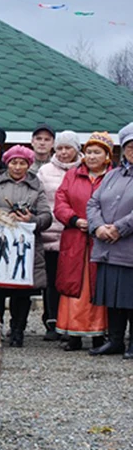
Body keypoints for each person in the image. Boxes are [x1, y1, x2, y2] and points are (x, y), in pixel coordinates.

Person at [0, 145, 52, 347]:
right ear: (7, 163)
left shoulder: (36, 186)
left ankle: (18, 330)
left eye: (22, 163)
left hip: (25, 247)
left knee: (22, 294)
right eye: (14, 162)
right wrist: (4, 216)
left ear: (28, 165)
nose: (18, 167)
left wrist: (31, 219)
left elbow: (47, 216)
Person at [53, 133, 110, 351]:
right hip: (75, 237)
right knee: (73, 285)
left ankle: (99, 334)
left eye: (98, 152)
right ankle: (72, 335)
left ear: (107, 155)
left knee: (98, 285)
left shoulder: (113, 177)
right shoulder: (72, 176)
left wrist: (101, 224)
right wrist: (75, 220)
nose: (92, 156)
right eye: (89, 152)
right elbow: (60, 202)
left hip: (102, 240)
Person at [88, 124, 133, 358]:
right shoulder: (113, 175)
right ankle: (115, 340)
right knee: (112, 298)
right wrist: (98, 227)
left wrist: (120, 228)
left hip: (129, 248)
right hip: (107, 247)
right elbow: (93, 203)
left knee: (131, 298)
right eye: (129, 146)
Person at [37, 131, 83, 342]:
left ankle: (74, 322)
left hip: (77, 233)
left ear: (77, 149)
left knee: (74, 281)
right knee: (52, 280)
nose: (64, 153)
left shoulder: (85, 169)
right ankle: (52, 320)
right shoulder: (45, 171)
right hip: (50, 232)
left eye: (68, 148)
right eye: (60, 148)